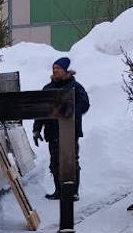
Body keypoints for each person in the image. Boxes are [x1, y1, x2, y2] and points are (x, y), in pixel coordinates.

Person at [32, 57, 90, 200]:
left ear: (65, 70)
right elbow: (41, 111)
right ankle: (59, 191)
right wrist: (36, 129)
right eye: (54, 68)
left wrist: (70, 113)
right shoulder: (48, 89)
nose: (55, 70)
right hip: (52, 131)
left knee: (71, 161)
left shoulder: (75, 87)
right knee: (55, 163)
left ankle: (72, 192)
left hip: (69, 131)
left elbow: (85, 104)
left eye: (58, 68)